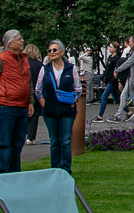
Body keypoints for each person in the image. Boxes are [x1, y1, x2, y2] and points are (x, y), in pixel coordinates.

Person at [0, 30, 35, 173]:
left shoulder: (23, 59)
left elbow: (28, 82)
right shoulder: (1, 59)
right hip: (6, 106)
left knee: (18, 142)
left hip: (21, 106)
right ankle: (4, 172)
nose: (22, 41)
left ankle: (15, 172)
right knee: (5, 142)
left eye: (21, 38)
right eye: (18, 39)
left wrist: (30, 101)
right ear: (10, 44)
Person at [36, 39, 80, 173]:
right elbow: (38, 89)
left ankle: (66, 169)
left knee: (65, 141)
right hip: (50, 112)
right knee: (54, 141)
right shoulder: (45, 69)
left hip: (67, 111)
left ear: (62, 51)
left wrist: (73, 102)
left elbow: (77, 89)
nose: (51, 53)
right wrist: (45, 104)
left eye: (54, 50)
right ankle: (54, 169)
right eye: (49, 50)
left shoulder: (70, 69)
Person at [93, 41, 129, 122]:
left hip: (113, 81)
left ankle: (100, 116)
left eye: (111, 47)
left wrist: (119, 81)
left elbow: (116, 70)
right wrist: (103, 78)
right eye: (109, 47)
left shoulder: (116, 58)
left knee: (104, 96)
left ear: (115, 48)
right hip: (108, 80)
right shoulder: (110, 57)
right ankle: (128, 111)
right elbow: (107, 70)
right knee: (116, 98)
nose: (109, 49)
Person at [23, 44, 43, 145]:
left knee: (23, 114)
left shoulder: (22, 63)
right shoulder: (39, 65)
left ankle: (22, 134)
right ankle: (30, 137)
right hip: (36, 91)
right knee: (34, 115)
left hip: (24, 91)